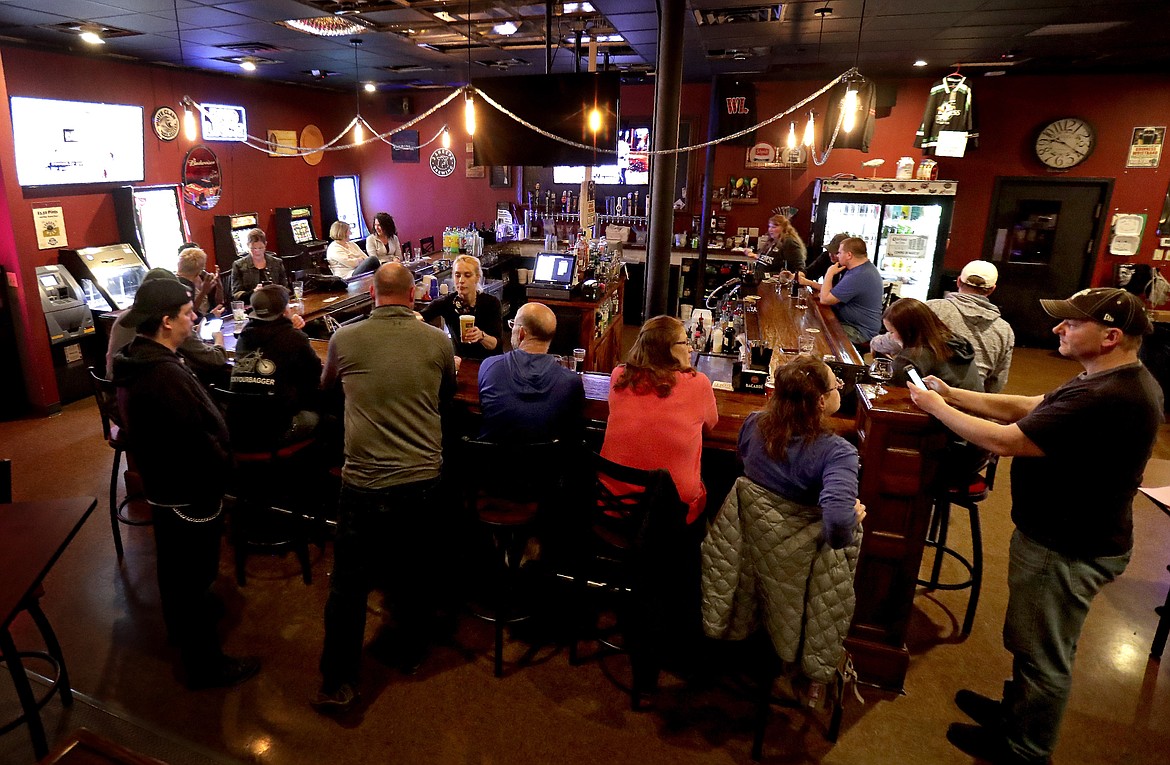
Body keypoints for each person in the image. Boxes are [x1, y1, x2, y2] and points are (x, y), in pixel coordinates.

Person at [907, 288, 1163, 765]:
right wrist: (950, 392)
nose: (1057, 329)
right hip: (1064, 535)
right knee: (1029, 641)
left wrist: (935, 408)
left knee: (1043, 656)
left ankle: (1025, 750)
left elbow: (1006, 440)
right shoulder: (1105, 378)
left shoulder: (1111, 395)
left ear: (1110, 335)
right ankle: (1015, 714)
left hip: (1070, 543)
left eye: (1071, 323)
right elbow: (1028, 405)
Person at [313, 263, 457, 715]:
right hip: (421, 480)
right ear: (413, 296)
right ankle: (411, 654)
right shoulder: (437, 341)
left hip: (362, 482)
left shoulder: (345, 338)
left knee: (349, 586)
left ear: (372, 293)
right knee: (415, 572)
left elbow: (327, 388)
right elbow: (446, 393)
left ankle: (337, 683)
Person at [111, 279, 259, 690]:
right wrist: (223, 468)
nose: (194, 318)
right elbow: (195, 439)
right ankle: (205, 665)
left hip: (165, 487)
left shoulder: (139, 360)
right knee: (191, 575)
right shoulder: (162, 375)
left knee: (176, 569)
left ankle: (181, 629)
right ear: (166, 321)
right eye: (187, 312)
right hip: (187, 490)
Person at [737, 355, 865, 550]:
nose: (840, 387)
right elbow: (838, 528)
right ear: (821, 401)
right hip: (800, 559)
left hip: (747, 547)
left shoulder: (753, 423)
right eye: (836, 385)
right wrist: (852, 519)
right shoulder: (839, 454)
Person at [600, 315, 719, 525]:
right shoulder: (698, 384)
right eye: (685, 342)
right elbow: (711, 425)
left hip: (612, 504)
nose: (690, 349)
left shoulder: (619, 375)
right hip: (671, 515)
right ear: (667, 349)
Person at [871, 260, 1015, 392]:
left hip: (936, 396)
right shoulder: (1005, 330)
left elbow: (900, 340)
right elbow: (997, 381)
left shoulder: (933, 308)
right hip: (974, 398)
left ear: (958, 281)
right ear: (992, 289)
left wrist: (876, 343)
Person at [477, 302, 584, 444]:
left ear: (521, 333)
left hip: (492, 464)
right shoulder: (571, 383)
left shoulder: (490, 367)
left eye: (513, 325)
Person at [229, 285, 323, 446]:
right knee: (328, 417)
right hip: (276, 431)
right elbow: (316, 377)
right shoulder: (293, 338)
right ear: (285, 310)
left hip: (238, 431)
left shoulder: (244, 336)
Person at [106, 268, 229, 389]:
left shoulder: (123, 317)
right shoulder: (164, 328)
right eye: (187, 313)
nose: (194, 316)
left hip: (117, 388)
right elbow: (214, 359)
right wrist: (219, 339)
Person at [880, 297, 980, 391]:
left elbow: (889, 393)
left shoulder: (910, 358)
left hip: (944, 408)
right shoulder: (957, 344)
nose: (891, 337)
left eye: (892, 332)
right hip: (973, 407)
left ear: (908, 331)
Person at [799, 236, 883, 346]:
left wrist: (829, 273)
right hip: (852, 324)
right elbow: (830, 293)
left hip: (859, 330)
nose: (837, 256)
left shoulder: (859, 275)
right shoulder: (860, 269)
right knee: (812, 324)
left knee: (814, 334)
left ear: (849, 255)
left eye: (839, 253)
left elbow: (825, 299)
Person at [420, 254, 502, 361]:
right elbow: (420, 316)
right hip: (462, 363)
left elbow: (496, 345)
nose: (461, 280)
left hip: (489, 363)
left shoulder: (491, 303)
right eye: (457, 275)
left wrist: (481, 336)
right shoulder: (448, 302)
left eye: (467, 275)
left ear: (477, 278)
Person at [231, 228, 289, 301]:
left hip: (275, 302)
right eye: (253, 248)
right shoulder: (238, 265)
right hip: (251, 305)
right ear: (247, 246)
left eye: (260, 248)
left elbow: (286, 289)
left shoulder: (277, 263)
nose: (257, 251)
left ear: (265, 245)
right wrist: (254, 292)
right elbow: (236, 295)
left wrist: (275, 289)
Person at [746, 214, 806, 280]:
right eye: (769, 227)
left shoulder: (789, 242)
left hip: (775, 284)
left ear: (784, 228)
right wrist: (755, 256)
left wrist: (787, 277)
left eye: (774, 227)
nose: (770, 230)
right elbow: (771, 260)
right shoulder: (773, 241)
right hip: (761, 281)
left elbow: (799, 269)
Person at [176, 246, 224, 318]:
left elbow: (219, 303)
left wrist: (219, 286)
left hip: (210, 315)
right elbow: (190, 313)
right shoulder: (179, 285)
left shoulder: (203, 277)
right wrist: (203, 291)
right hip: (197, 321)